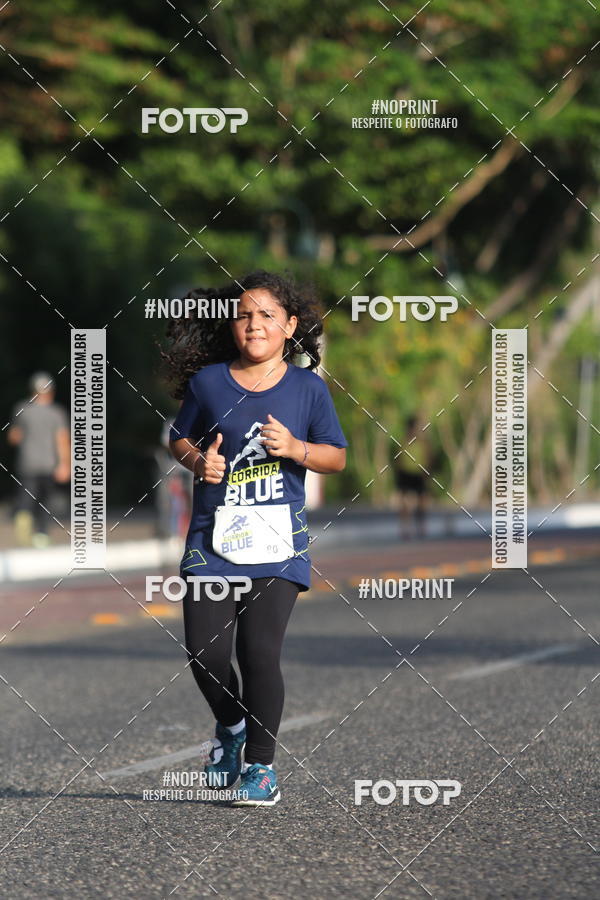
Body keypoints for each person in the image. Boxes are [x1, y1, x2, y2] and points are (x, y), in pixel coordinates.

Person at [164, 270, 347, 807]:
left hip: (277, 545)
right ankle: (232, 726)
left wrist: (296, 448)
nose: (254, 324)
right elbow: (179, 438)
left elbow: (336, 456)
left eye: (267, 315)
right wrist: (201, 461)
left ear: (290, 326)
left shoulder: (308, 389)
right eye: (245, 314)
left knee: (259, 652)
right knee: (205, 654)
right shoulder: (210, 383)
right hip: (213, 543)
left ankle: (261, 770)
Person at [7, 372, 70, 547]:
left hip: (27, 462)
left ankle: (22, 518)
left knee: (26, 498)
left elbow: (14, 437)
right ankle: (41, 535)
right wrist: (65, 464)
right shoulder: (57, 413)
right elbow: (62, 440)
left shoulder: (22, 409)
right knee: (45, 501)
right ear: (51, 391)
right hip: (49, 464)